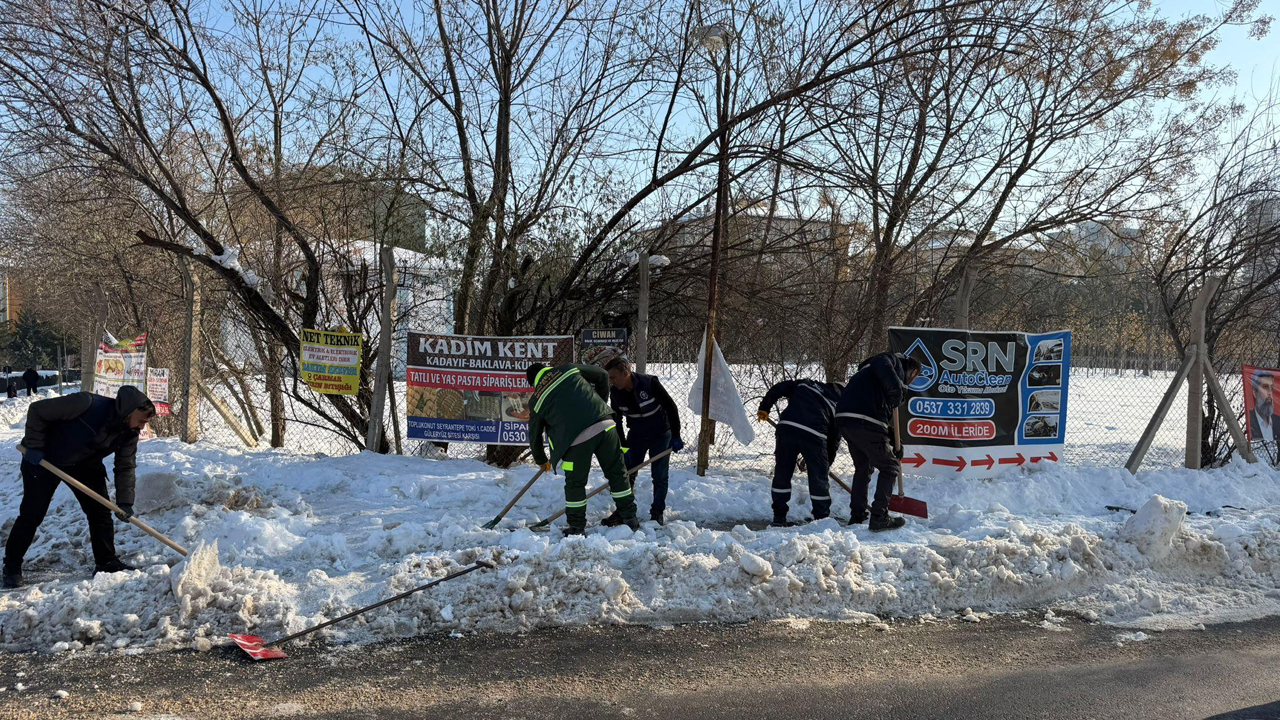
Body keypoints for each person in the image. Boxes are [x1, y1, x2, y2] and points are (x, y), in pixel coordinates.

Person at [2, 386, 155, 588]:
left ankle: (106, 562)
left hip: (85, 463)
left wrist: (125, 502)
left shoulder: (129, 433)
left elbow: (125, 465)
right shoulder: (87, 404)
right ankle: (12, 567)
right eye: (142, 420)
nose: (143, 426)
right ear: (128, 410)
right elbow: (38, 410)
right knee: (32, 513)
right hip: (43, 458)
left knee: (100, 512)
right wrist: (35, 445)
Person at [526, 362, 639, 535]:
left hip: (575, 441)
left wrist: (542, 461)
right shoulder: (567, 368)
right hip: (606, 426)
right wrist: (600, 403)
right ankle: (630, 517)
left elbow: (534, 436)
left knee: (575, 484)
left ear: (533, 383)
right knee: (618, 473)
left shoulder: (537, 401)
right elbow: (602, 374)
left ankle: (577, 527)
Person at [835, 352, 922, 532]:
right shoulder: (891, 361)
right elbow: (881, 360)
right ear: (911, 370)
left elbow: (879, 418)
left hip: (846, 420)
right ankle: (879, 517)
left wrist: (893, 440)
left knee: (863, 467)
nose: (911, 382)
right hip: (864, 420)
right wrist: (897, 387)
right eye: (914, 376)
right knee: (890, 467)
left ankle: (857, 515)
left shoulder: (869, 377)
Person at [602, 357, 684, 525]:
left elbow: (671, 407)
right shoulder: (616, 393)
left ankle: (657, 513)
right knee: (627, 472)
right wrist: (624, 446)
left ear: (625, 373)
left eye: (613, 377)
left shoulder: (649, 383)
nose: (611, 382)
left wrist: (676, 435)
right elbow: (616, 421)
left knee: (659, 474)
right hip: (637, 434)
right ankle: (624, 511)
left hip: (661, 433)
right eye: (609, 378)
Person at [757, 378, 844, 526]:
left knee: (782, 472)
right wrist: (826, 463)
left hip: (787, 428)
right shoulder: (838, 404)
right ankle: (821, 519)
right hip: (814, 435)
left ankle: (779, 516)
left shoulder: (806, 384)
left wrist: (765, 407)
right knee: (818, 478)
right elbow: (834, 439)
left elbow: (779, 387)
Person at [1248, 370, 1279, 445]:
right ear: (1255, 393)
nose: (1269, 393)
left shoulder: (1278, 421)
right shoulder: (1248, 420)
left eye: (1271, 388)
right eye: (1265, 387)